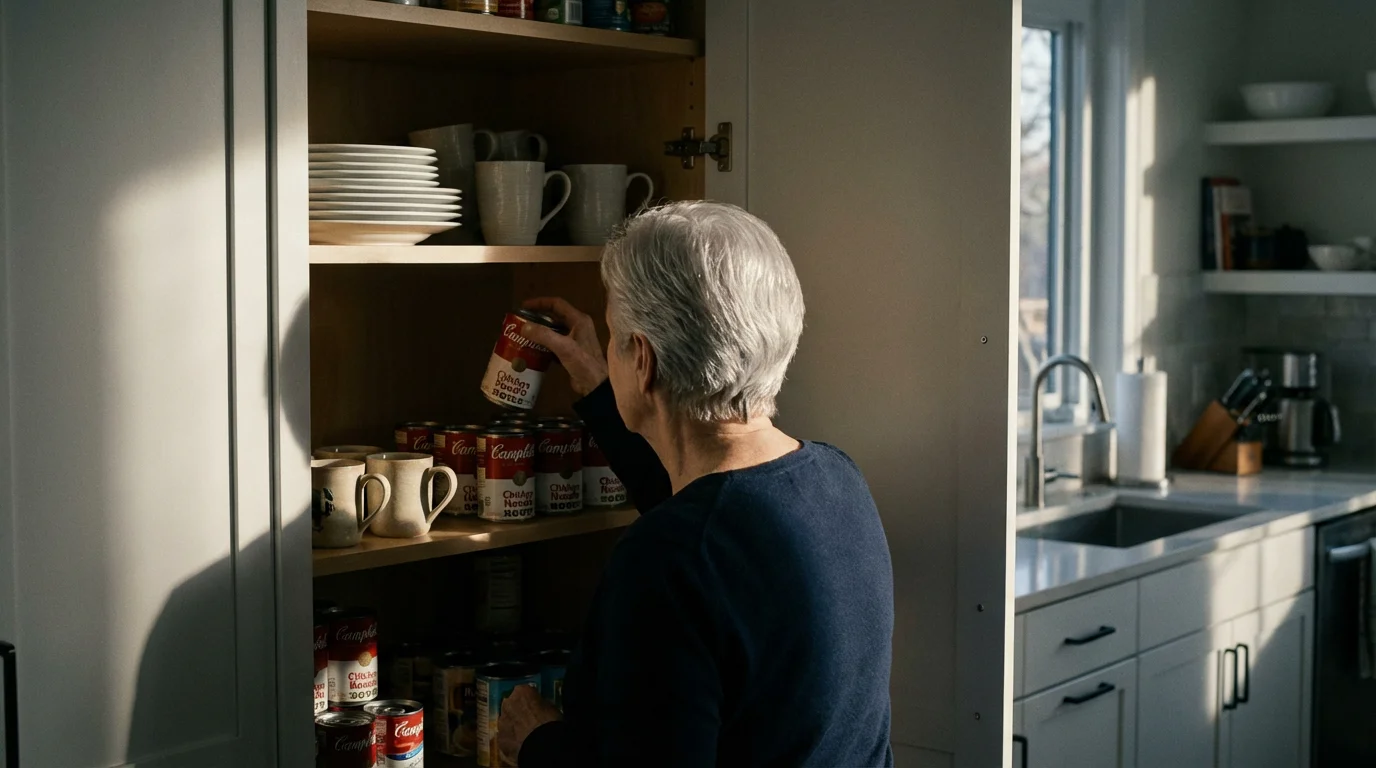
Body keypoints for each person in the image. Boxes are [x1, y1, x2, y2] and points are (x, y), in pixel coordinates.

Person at [498, 201, 895, 767]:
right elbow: (711, 526)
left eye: (614, 337)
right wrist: (601, 389)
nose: (609, 352)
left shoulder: (665, 560)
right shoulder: (837, 479)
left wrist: (538, 742)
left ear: (644, 361)